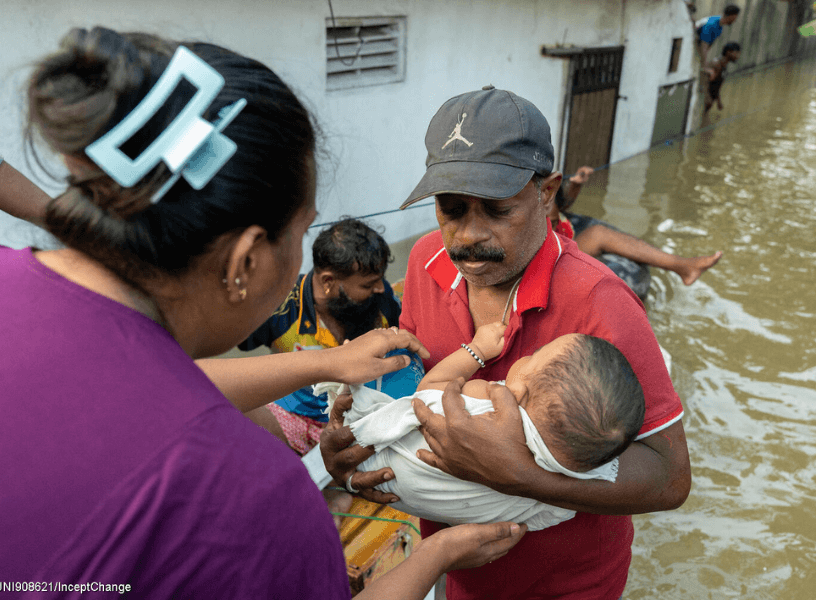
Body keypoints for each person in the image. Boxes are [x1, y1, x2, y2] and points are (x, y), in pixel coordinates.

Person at [0, 32, 527, 599]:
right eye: (302, 231)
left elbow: (132, 392)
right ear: (245, 260)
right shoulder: (249, 497)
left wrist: (327, 361)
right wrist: (439, 553)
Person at [321, 86, 691, 600]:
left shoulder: (601, 302)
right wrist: (353, 450)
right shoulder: (426, 267)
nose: (468, 235)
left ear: (546, 192)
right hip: (457, 569)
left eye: (496, 209)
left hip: (568, 585)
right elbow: (413, 389)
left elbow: (670, 480)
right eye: (450, 209)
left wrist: (523, 478)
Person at [328, 321, 644, 530]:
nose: (528, 355)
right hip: (423, 500)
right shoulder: (576, 484)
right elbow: (528, 524)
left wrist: (476, 351)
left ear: (517, 393)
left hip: (376, 465)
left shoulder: (481, 405)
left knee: (394, 357)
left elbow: (430, 389)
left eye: (534, 356)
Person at [239, 217, 401, 455]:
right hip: (295, 417)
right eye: (368, 285)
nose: (379, 288)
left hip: (361, 416)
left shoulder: (382, 298)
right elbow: (234, 340)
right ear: (328, 282)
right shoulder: (279, 307)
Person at [552, 165, 722, 294]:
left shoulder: (543, 192)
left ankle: (682, 266)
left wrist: (574, 185)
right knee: (598, 234)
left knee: (598, 233)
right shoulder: (531, 201)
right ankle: (683, 266)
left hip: (561, 240)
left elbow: (561, 206)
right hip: (548, 256)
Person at [704, 42, 742, 113]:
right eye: (736, 53)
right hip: (704, 102)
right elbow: (704, 81)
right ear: (728, 52)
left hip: (708, 103)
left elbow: (716, 85)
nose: (738, 56)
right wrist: (707, 97)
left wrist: (718, 101)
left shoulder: (724, 66)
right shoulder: (716, 64)